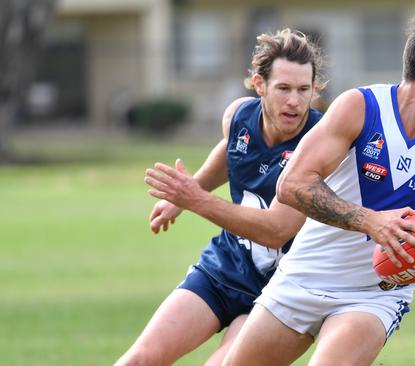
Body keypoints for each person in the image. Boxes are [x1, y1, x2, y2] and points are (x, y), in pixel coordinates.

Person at [222, 12, 415, 366]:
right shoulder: (360, 107)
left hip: (374, 296)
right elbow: (292, 185)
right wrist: (371, 221)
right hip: (303, 276)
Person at [115, 28, 326, 366]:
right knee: (139, 360)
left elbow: (276, 230)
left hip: (284, 291)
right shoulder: (239, 116)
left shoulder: (321, 141)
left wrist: (195, 200)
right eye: (284, 88)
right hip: (226, 267)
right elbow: (230, 153)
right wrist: (186, 194)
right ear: (259, 85)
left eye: (304, 90)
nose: (295, 101)